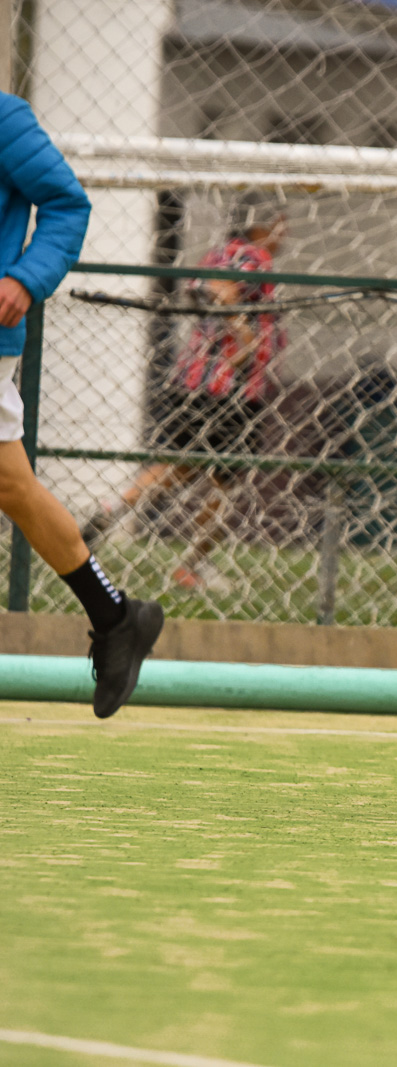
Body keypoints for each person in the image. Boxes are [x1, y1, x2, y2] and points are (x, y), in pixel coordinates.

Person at [0, 91, 164, 717]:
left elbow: (68, 203)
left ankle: (115, 615)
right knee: (12, 484)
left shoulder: (4, 118)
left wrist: (24, 278)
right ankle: (115, 615)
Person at [82, 199, 287, 593]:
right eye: (280, 224)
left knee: (177, 465)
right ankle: (193, 564)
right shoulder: (251, 256)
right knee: (224, 482)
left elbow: (203, 287)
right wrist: (244, 336)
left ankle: (113, 509)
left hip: (195, 382)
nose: (285, 234)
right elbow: (218, 291)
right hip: (230, 389)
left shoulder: (216, 254)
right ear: (262, 225)